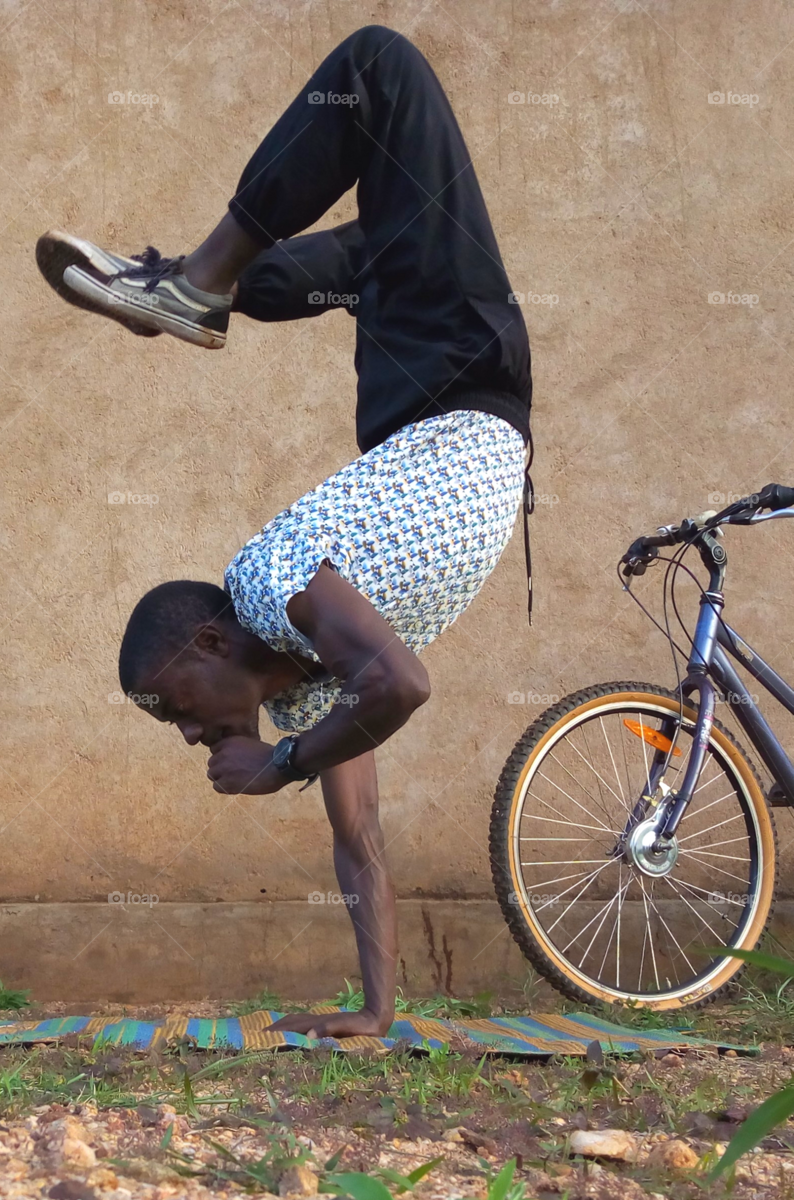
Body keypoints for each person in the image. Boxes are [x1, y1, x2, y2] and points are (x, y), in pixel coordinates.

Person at [36, 25, 534, 1040]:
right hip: (435, 385)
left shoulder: (268, 587)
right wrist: (377, 1009)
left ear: (211, 641)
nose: (188, 734)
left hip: (445, 382)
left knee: (377, 73)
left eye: (177, 706)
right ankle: (198, 281)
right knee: (354, 227)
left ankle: (188, 285)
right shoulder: (315, 678)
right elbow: (361, 840)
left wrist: (278, 765)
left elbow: (405, 686)